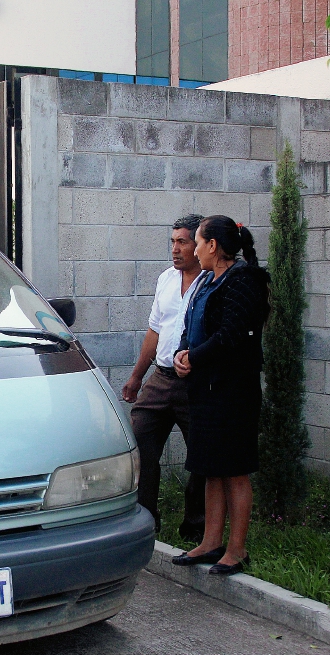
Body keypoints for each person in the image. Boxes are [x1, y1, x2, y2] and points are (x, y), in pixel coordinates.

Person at [170, 216, 269, 575]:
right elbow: (190, 325)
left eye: (197, 242)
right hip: (205, 390)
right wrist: (183, 353)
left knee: (234, 472)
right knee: (211, 470)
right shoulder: (205, 282)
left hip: (232, 393)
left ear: (212, 246)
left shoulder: (242, 281)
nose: (194, 249)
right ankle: (211, 543)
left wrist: (193, 357)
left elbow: (230, 335)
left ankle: (237, 550)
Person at [122, 215, 208, 538]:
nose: (175, 249)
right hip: (160, 378)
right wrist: (136, 378)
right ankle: (146, 519)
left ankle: (195, 525)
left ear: (199, 245)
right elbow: (154, 331)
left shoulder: (210, 282)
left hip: (195, 383)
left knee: (201, 454)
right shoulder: (165, 280)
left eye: (183, 242)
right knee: (139, 436)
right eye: (172, 241)